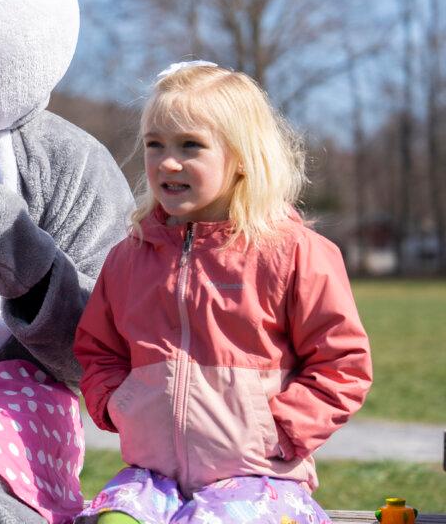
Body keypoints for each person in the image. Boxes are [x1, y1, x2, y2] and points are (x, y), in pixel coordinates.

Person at [74, 62, 373, 524]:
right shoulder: (128, 259)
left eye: (190, 145)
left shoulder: (293, 254)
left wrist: (279, 430)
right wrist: (119, 405)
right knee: (113, 519)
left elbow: (342, 364)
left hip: (260, 477)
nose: (167, 162)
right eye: (155, 145)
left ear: (241, 158)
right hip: (153, 475)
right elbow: (98, 349)